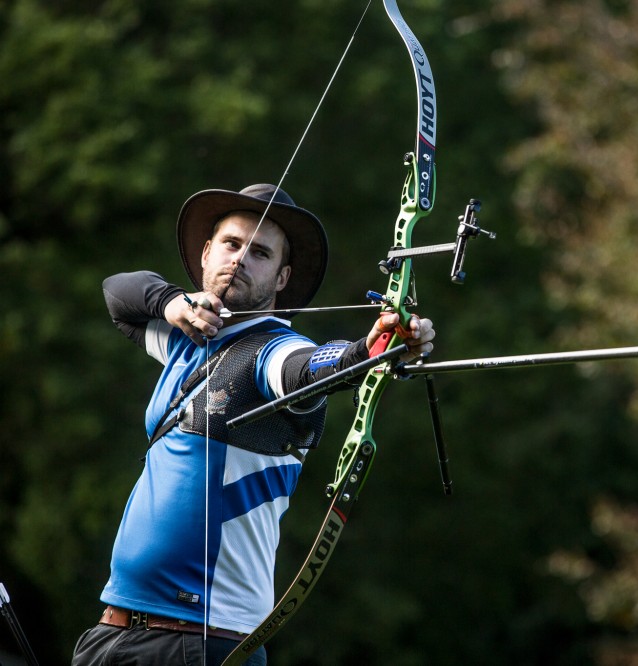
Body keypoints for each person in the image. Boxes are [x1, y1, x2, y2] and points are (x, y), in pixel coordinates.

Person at [71, 184, 434, 666]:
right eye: (231, 243)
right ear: (206, 253)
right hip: (112, 631)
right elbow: (118, 293)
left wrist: (367, 351)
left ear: (282, 277)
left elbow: (308, 367)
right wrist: (171, 302)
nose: (241, 259)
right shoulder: (184, 342)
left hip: (199, 642)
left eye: (260, 253)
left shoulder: (270, 350)